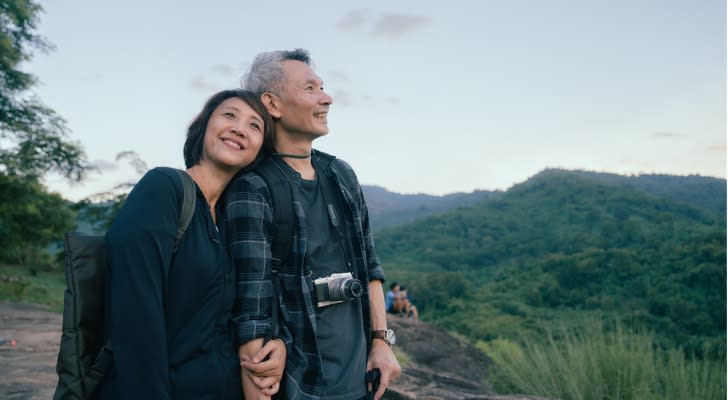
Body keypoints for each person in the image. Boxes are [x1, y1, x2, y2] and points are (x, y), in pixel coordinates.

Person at [228, 49, 401, 400]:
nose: (327, 98)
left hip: (359, 381)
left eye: (322, 87)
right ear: (271, 104)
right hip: (301, 385)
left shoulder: (340, 173)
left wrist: (381, 343)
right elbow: (252, 306)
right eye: (310, 89)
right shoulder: (254, 187)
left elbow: (369, 265)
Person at [99, 89, 286, 399]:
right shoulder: (163, 189)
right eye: (229, 115)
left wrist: (277, 345)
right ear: (203, 127)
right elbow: (134, 319)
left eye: (255, 126)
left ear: (258, 151)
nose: (240, 128)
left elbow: (242, 313)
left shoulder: (232, 219)